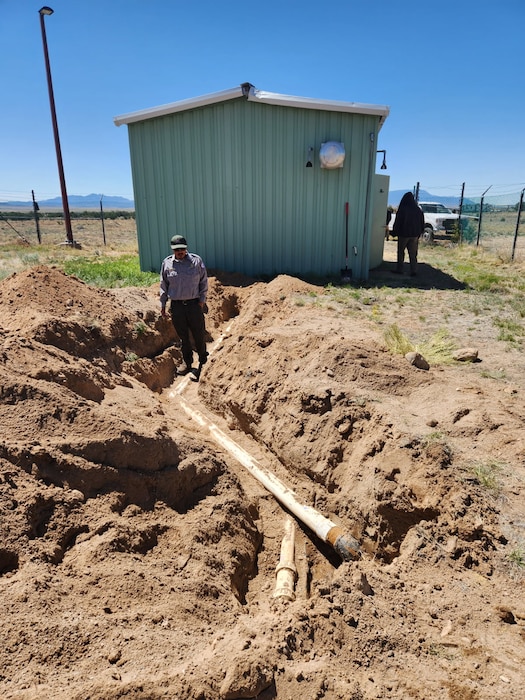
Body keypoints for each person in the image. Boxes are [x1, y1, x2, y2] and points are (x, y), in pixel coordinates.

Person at [160, 235, 209, 378]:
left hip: (194, 305)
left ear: (186, 248)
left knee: (198, 333)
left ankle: (203, 361)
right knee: (183, 337)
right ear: (172, 250)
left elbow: (203, 282)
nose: (180, 252)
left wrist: (201, 300)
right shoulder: (167, 264)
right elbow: (163, 285)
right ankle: (187, 363)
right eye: (177, 250)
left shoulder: (196, 261)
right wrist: (163, 304)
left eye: (182, 249)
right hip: (177, 307)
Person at [392, 192, 424, 276]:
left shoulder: (402, 209)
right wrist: (420, 232)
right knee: (413, 254)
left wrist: (394, 232)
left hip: (403, 234)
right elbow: (422, 222)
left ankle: (400, 269)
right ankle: (413, 270)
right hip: (414, 235)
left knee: (401, 252)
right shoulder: (418, 209)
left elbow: (398, 222)